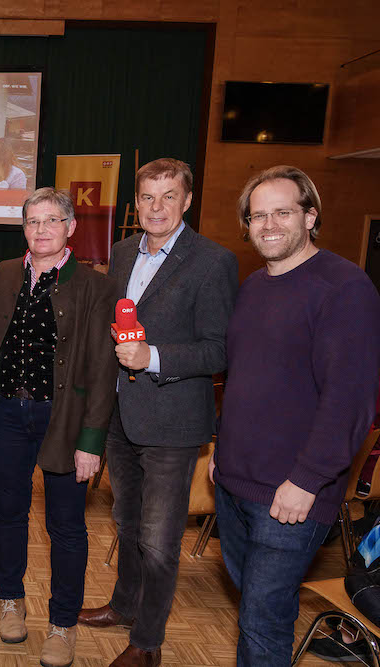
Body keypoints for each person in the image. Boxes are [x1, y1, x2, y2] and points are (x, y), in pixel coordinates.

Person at [212, 165, 380, 666]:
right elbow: (243, 382)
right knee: (259, 611)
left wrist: (307, 479)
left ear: (310, 216)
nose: (268, 225)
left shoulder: (344, 289)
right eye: (257, 215)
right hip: (235, 485)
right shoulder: (253, 287)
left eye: (282, 212)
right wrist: (222, 451)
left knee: (262, 621)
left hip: (290, 495)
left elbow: (350, 401)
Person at [78, 158, 238, 667]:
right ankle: (125, 606)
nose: (157, 207)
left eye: (169, 196)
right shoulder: (123, 251)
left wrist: (156, 357)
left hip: (173, 422)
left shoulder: (212, 262)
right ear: (136, 202)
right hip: (124, 415)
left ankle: (148, 642)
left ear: (187, 201)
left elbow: (219, 350)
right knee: (126, 523)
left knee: (160, 541)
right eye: (147, 197)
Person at [0, 188, 119, 666]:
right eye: (32, 221)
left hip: (65, 421)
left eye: (51, 221)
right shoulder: (5, 274)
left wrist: (91, 441)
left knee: (66, 527)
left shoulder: (96, 286)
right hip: (12, 415)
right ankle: (10, 601)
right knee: (8, 512)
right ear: (23, 228)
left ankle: (62, 624)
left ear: (71, 227)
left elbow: (102, 369)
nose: (41, 230)